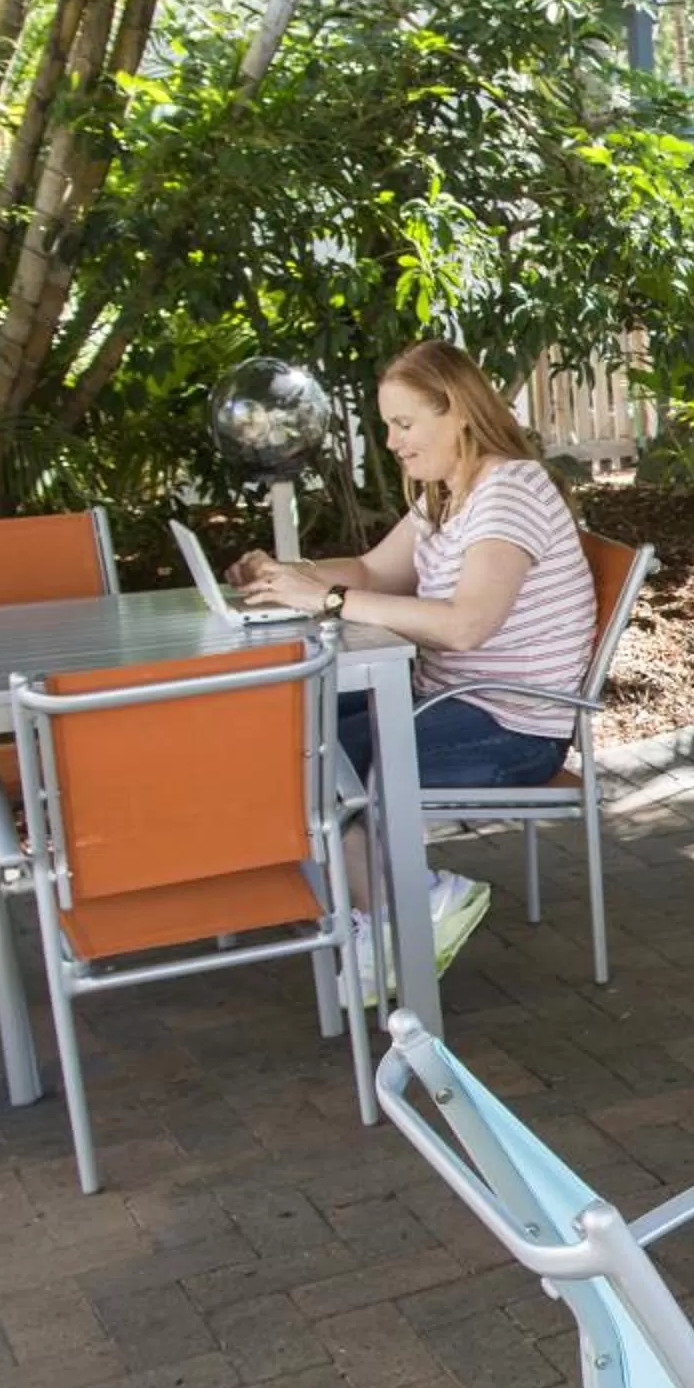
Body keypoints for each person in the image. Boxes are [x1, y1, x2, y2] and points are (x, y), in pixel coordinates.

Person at [232, 341, 597, 982]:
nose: (394, 443)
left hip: (512, 726)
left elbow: (465, 625)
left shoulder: (507, 494)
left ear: (456, 411)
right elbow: (375, 569)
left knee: (325, 772)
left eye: (404, 424)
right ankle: (388, 907)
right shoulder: (446, 492)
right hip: (448, 702)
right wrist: (287, 575)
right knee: (285, 743)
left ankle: (408, 906)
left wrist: (330, 599)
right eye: (389, 427)